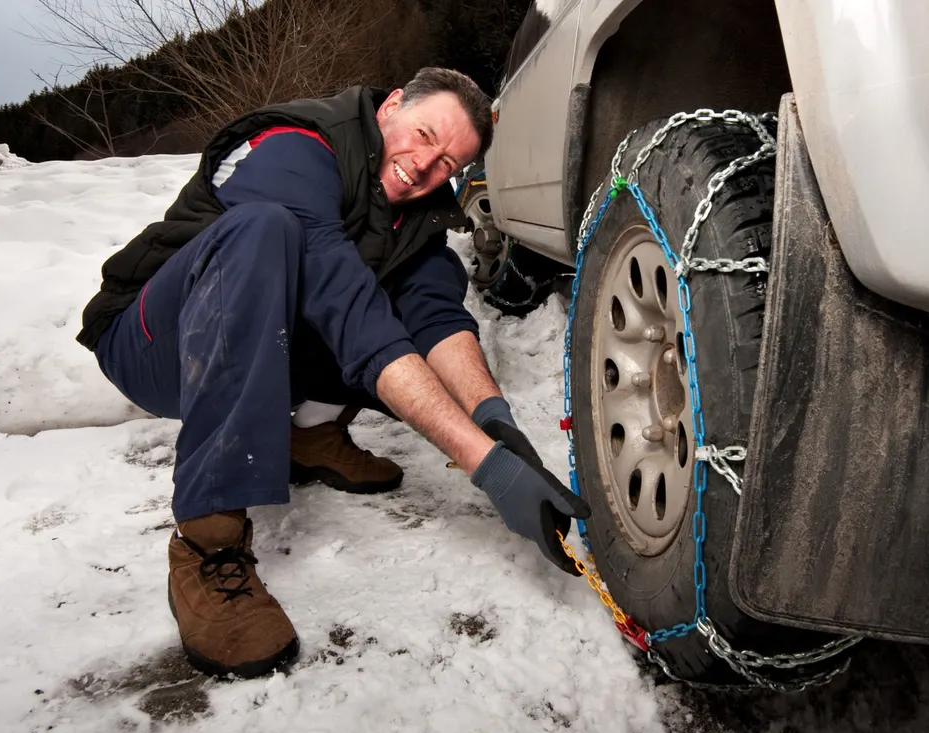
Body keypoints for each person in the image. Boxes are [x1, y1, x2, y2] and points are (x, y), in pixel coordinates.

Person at [75, 67, 591, 679]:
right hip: (153, 341)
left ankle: (309, 435)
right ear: (391, 106)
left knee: (399, 308)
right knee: (271, 235)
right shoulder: (295, 146)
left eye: (448, 163)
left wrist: (496, 423)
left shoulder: (417, 215)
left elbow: (438, 320)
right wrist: (487, 469)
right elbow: (349, 310)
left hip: (255, 339)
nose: (425, 166)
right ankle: (206, 545)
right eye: (424, 134)